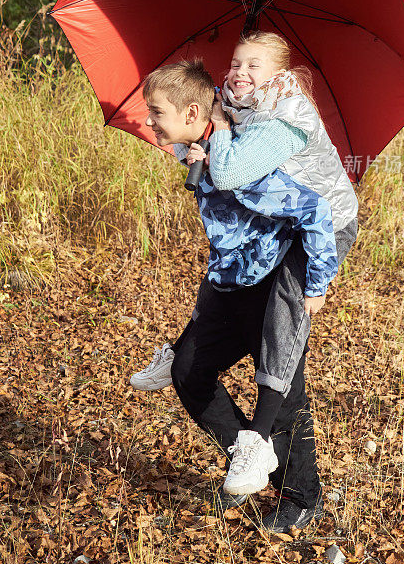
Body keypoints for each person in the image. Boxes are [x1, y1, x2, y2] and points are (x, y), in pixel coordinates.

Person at [131, 35, 358, 531]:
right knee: (190, 370)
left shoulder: (281, 121)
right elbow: (202, 123)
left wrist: (316, 284)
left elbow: (240, 173)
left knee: (278, 370)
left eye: (254, 65)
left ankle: (301, 495)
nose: (239, 71)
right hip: (247, 257)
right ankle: (250, 461)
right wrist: (200, 138)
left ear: (277, 75)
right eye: (235, 62)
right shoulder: (229, 107)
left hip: (310, 236)